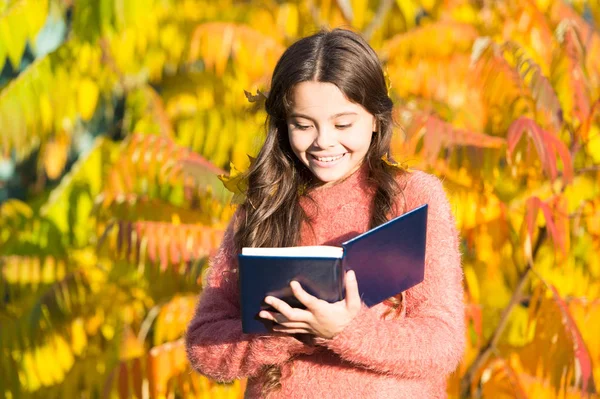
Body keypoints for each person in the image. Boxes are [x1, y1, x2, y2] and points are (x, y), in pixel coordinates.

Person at [185, 28, 465, 398]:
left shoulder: (412, 197)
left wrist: (345, 331)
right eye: (303, 125)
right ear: (283, 126)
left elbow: (442, 343)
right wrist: (286, 333)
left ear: (376, 118)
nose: (324, 141)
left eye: (343, 124)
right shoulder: (264, 208)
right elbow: (204, 346)